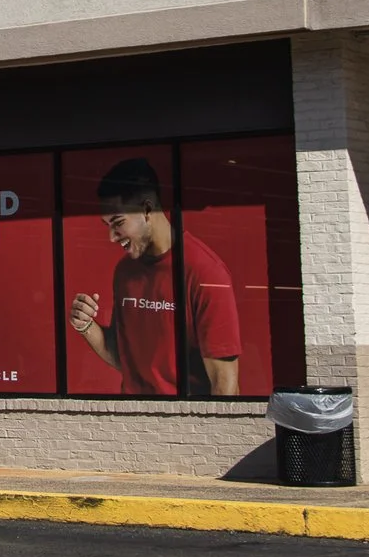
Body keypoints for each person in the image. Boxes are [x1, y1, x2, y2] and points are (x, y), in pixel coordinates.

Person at [68, 158, 241, 396]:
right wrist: (86, 325)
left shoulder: (205, 272)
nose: (111, 237)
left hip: (182, 418)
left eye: (118, 222)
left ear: (147, 209)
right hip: (130, 414)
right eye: (107, 225)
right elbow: (126, 361)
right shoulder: (125, 272)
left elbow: (225, 386)